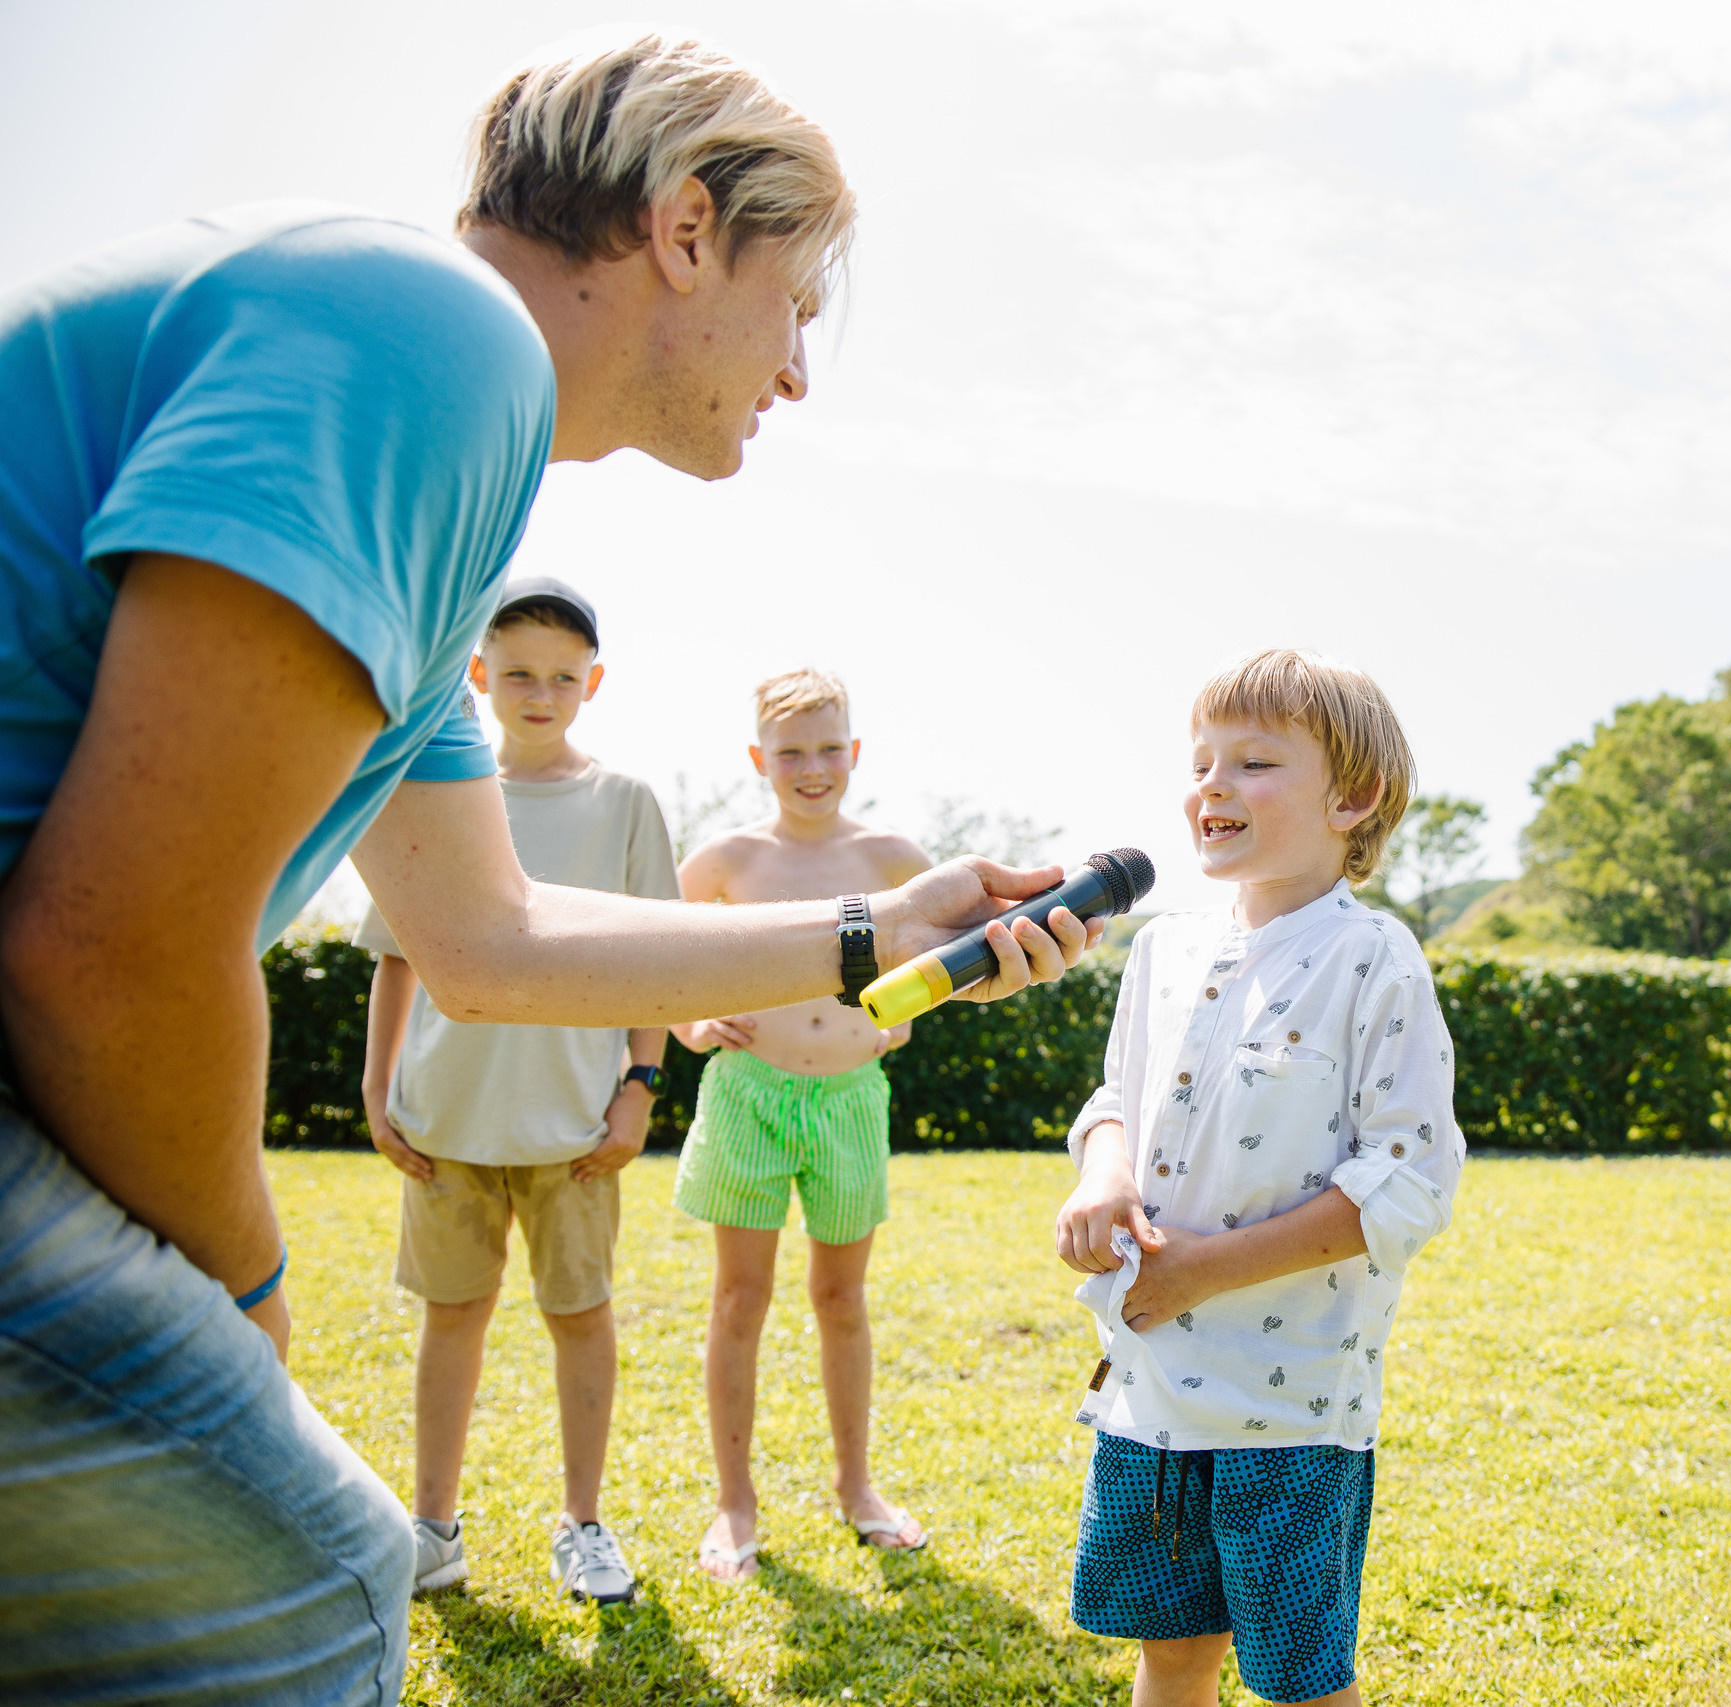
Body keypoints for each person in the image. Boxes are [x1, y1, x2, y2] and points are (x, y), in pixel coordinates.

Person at [0, 33, 1096, 1705]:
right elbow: (115, 943)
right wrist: (243, 1295)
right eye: (797, 303)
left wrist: (886, 920)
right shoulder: (435, 345)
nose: (798, 371)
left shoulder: (423, 416)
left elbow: (490, 936)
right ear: (682, 228)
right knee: (310, 1589)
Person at [1052, 650, 1467, 1707]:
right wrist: (1102, 1177)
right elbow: (1114, 1100)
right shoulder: (1160, 951)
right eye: (1201, 762)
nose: (1212, 785)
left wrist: (1200, 1270)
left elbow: (1406, 1182)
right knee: (1170, 1653)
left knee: (1298, 1678)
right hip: (1147, 1390)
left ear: (1353, 799)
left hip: (1291, 1406)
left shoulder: (1373, 958)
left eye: (1252, 762)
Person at [358, 577, 674, 1605]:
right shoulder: (432, 789)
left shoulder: (624, 803)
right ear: (480, 676)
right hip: (445, 1115)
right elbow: (397, 956)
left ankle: (583, 1525)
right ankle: (435, 1529)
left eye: (563, 677)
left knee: (581, 1316)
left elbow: (660, 964)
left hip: (576, 1125)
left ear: (593, 684)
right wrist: (377, 1082)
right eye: (520, 673)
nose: (541, 693)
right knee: (452, 1317)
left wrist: (639, 1086)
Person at [672, 668, 931, 1579]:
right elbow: (654, 954)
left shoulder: (894, 854)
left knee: (840, 1299)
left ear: (854, 752)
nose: (812, 767)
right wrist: (692, 1025)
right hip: (749, 1092)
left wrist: (908, 1013)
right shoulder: (729, 859)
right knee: (740, 1298)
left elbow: (957, 944)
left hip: (852, 1099)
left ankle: (858, 1488)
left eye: (829, 748)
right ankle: (735, 1506)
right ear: (759, 760)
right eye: (791, 752)